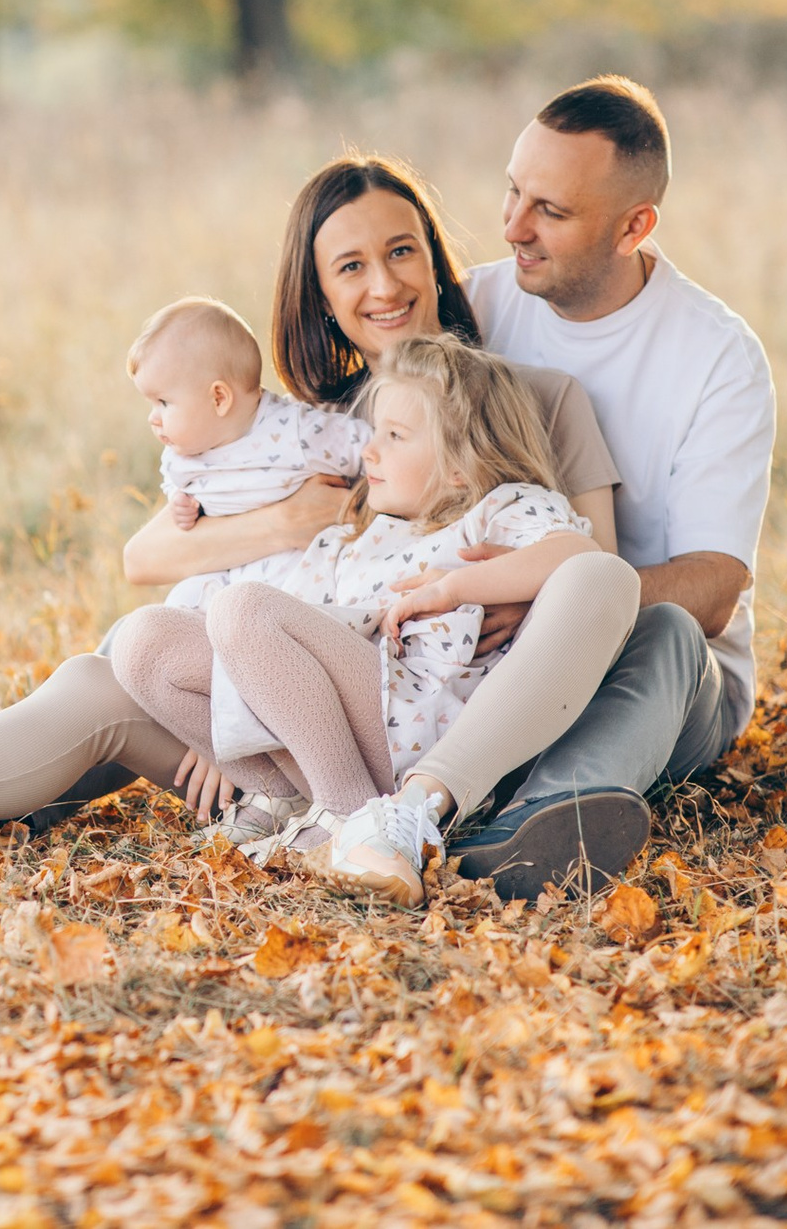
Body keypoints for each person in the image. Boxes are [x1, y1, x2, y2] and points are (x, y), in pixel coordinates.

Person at [0, 154, 635, 863]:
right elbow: (155, 555)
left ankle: (387, 821)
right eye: (348, 268)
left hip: (444, 714)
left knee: (176, 648)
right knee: (114, 664)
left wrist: (488, 583)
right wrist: (245, 694)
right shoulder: (314, 425)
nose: (381, 284)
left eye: (400, 252)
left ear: (436, 254)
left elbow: (596, 577)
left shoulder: (535, 399)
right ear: (320, 293)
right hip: (301, 700)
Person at [429, 75, 776, 897]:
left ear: (635, 226)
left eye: (550, 210)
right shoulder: (471, 307)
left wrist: (559, 613)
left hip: (657, 674)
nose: (514, 226)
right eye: (514, 191)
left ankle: (543, 822)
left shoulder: (716, 358)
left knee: (671, 631)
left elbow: (715, 588)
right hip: (485, 649)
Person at [188, 336, 619, 904]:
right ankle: (304, 804)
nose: (370, 451)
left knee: (243, 607)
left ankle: (346, 822)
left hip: (425, 731)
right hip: (339, 730)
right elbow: (266, 644)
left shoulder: (496, 510)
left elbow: (578, 557)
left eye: (394, 436)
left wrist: (454, 587)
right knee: (149, 642)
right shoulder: (347, 540)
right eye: (374, 433)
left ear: (461, 467)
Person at [124, 295, 368, 611]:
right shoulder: (188, 451)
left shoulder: (293, 432)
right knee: (177, 606)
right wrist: (180, 503)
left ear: (219, 399)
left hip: (295, 577)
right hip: (224, 575)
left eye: (163, 403)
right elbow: (141, 554)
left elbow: (367, 448)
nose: (153, 418)